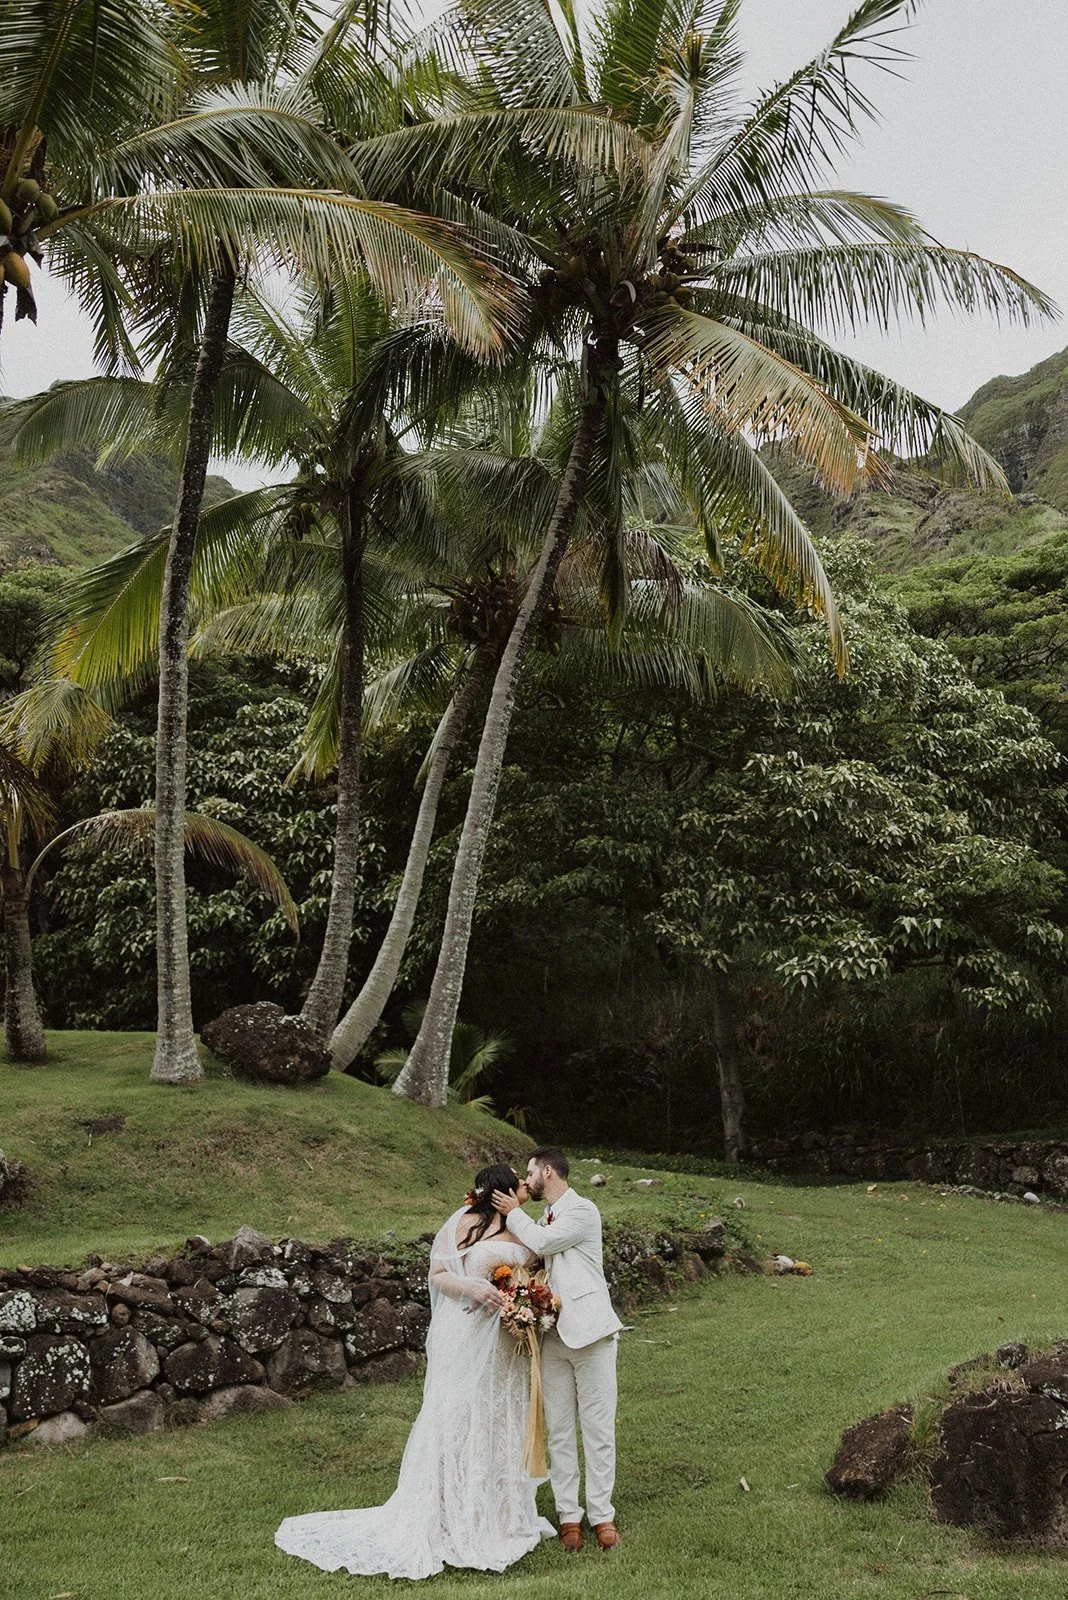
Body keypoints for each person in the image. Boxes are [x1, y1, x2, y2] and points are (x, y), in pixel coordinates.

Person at [275, 1164, 556, 1580]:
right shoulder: (466, 1221)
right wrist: (474, 1287)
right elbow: (439, 1274)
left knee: (500, 1414)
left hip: (505, 1340)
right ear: (501, 1189)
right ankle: (447, 1510)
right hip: (467, 1331)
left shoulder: (525, 1227)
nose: (524, 1184)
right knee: (459, 1413)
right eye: (517, 1180)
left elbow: (536, 1273)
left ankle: (499, 1512)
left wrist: (527, 1303)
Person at [493, 1146, 624, 1553]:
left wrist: (513, 1210)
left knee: (598, 1430)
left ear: (548, 1172)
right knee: (561, 1432)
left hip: (592, 1334)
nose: (527, 1180)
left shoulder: (583, 1211)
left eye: (530, 1172)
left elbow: (544, 1241)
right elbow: (530, 1253)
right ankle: (569, 1516)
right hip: (551, 1339)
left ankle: (602, 1515)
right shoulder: (542, 1218)